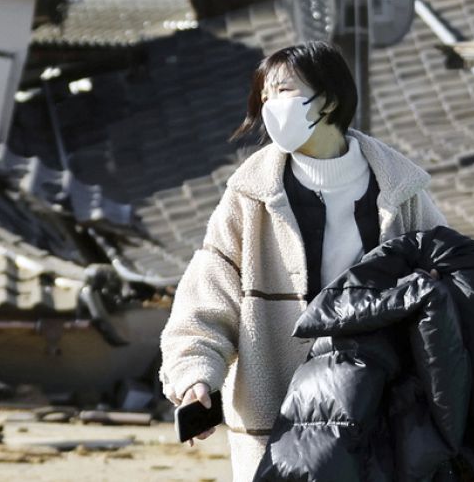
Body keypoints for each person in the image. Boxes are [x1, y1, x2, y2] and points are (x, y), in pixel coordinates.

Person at [159, 41, 447, 482]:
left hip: (382, 404)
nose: (272, 106)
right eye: (266, 95)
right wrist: (195, 374)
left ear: (328, 99)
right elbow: (207, 295)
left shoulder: (401, 191)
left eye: (285, 91)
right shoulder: (249, 195)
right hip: (277, 412)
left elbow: (450, 286)